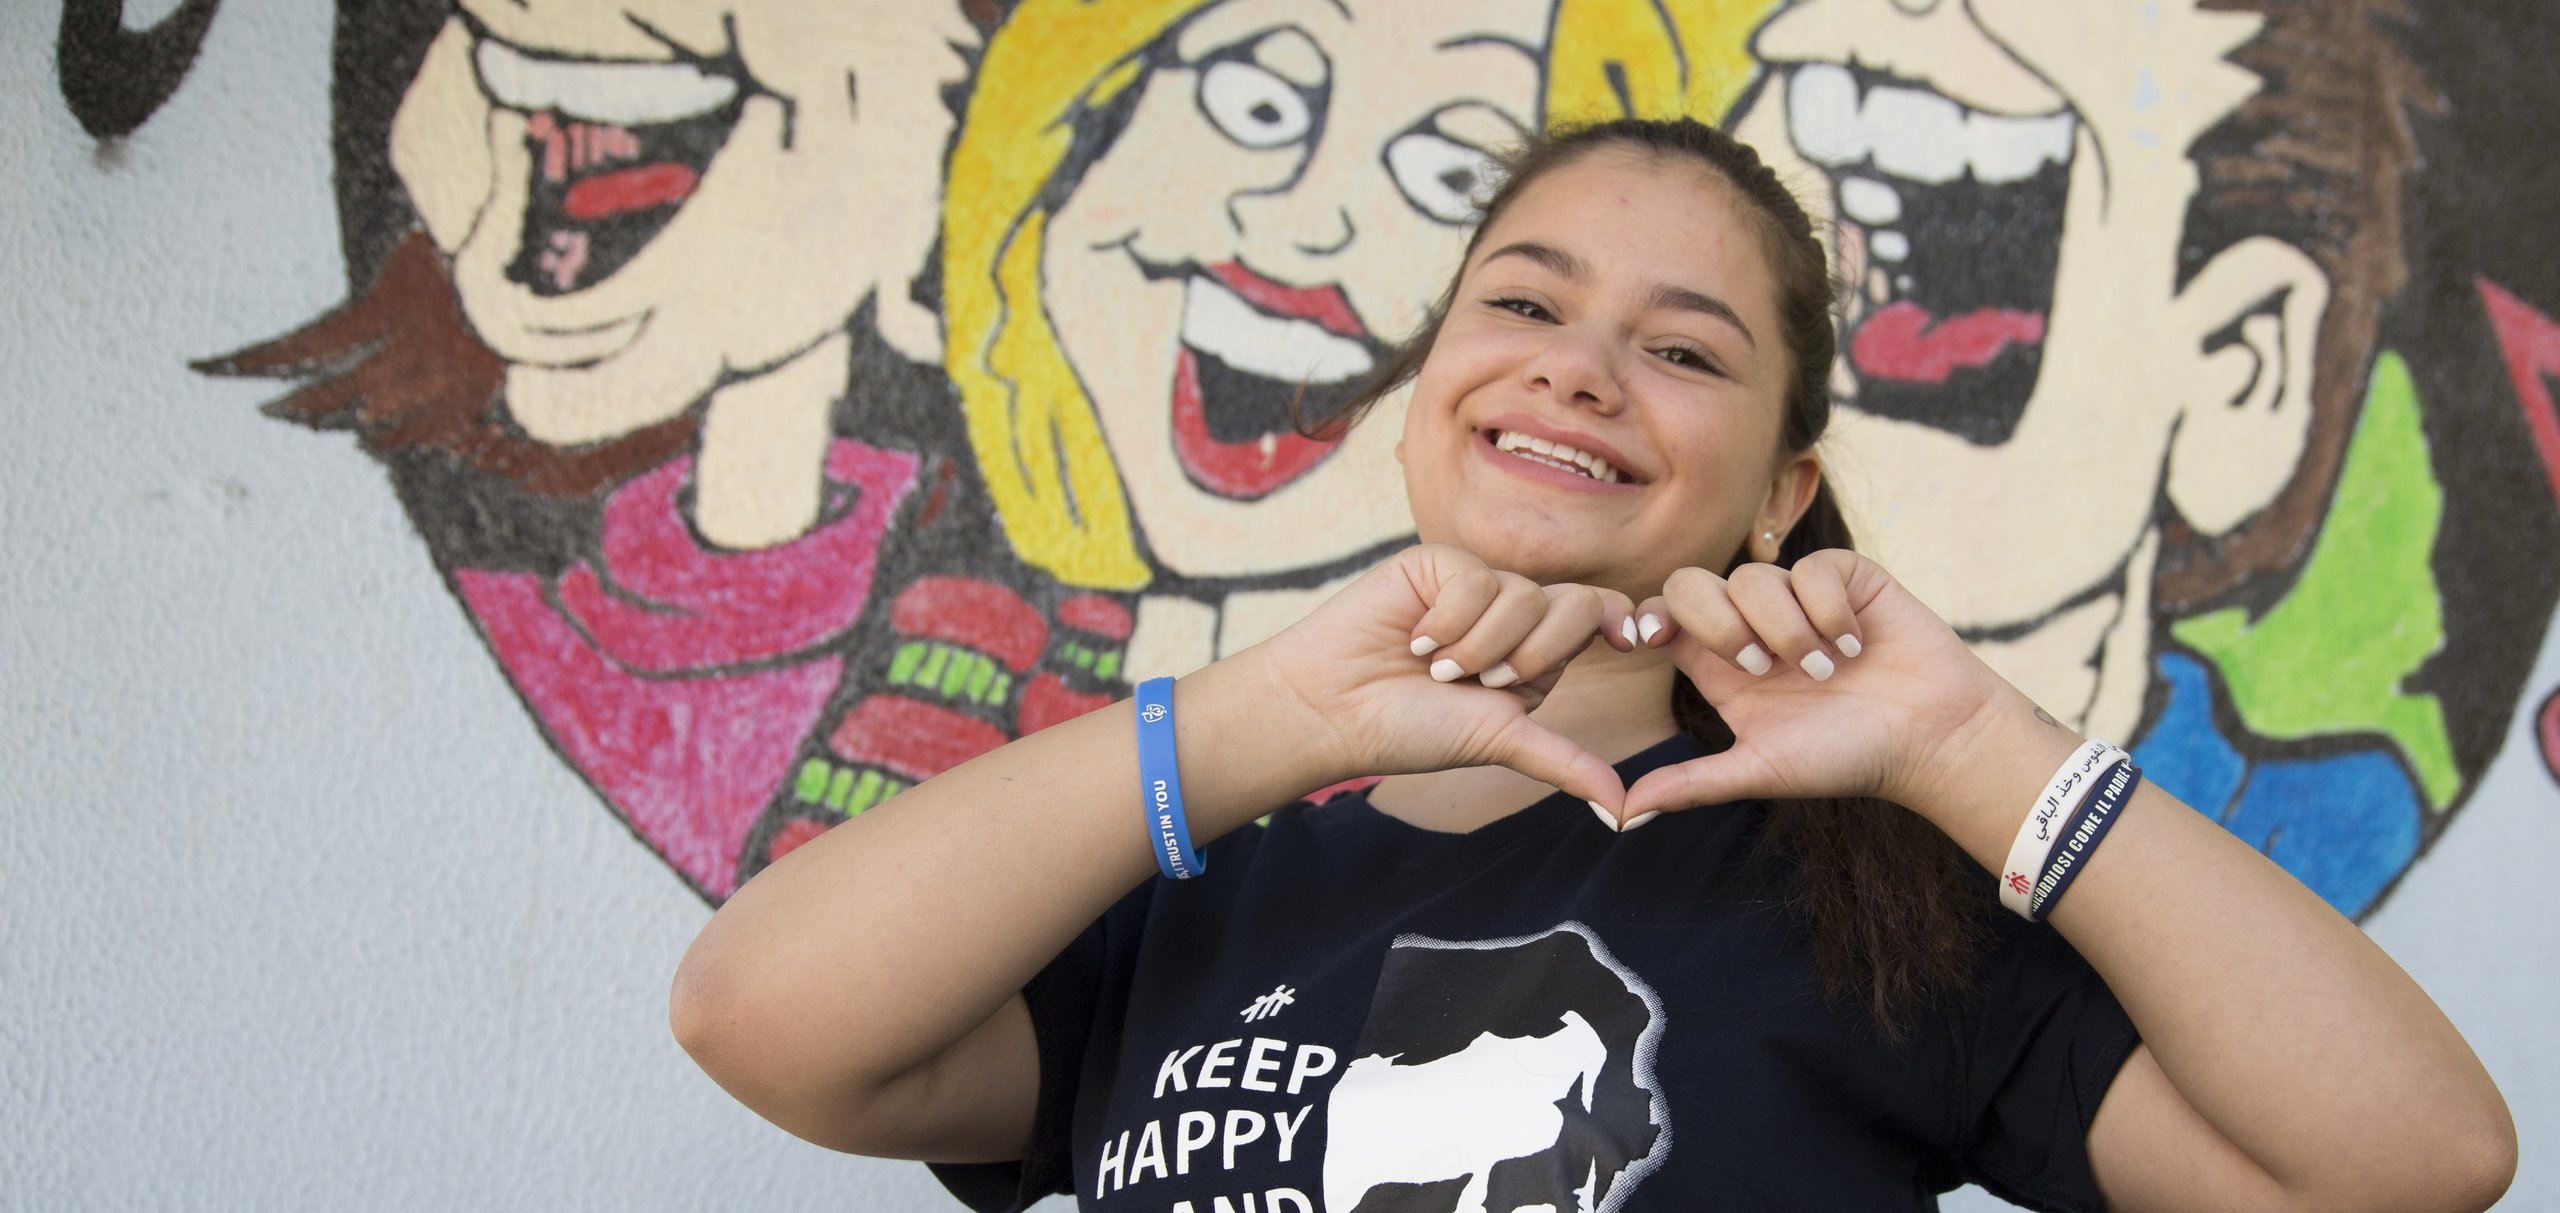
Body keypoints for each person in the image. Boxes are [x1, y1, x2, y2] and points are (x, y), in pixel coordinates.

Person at [669, 118, 2515, 1210]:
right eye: (1527, 305)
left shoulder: (1887, 919)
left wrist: (1969, 740)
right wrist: (1260, 718)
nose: (1578, 370)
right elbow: (754, 1017)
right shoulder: (1182, 893)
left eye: (1685, 350)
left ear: (1786, 486)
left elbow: (2420, 1160)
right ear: (1422, 393)